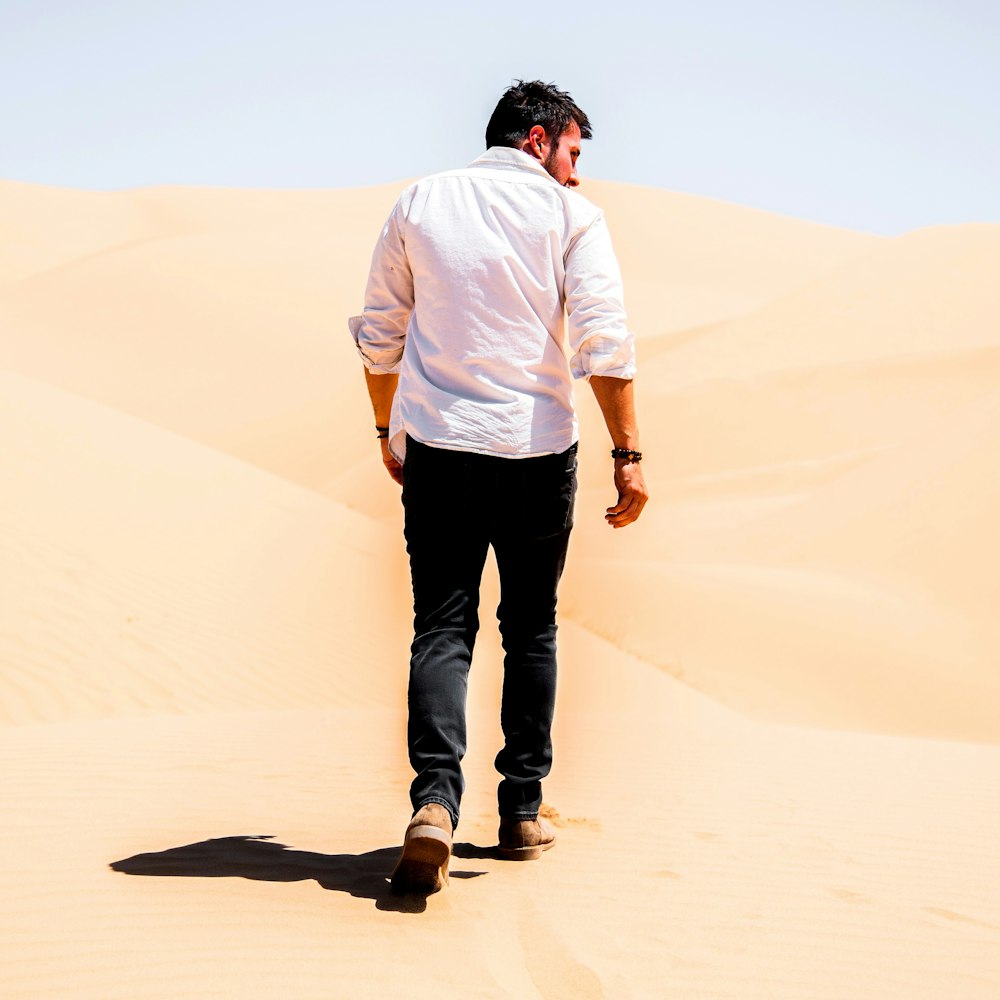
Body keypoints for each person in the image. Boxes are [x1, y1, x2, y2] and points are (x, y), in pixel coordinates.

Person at [349, 79, 647, 894]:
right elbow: (603, 340)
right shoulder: (573, 219)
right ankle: (520, 811)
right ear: (538, 139)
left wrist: (387, 428)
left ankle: (435, 807)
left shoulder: (420, 201)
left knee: (442, 628)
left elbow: (380, 334)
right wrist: (628, 450)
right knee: (532, 628)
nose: (577, 174)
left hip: (441, 448)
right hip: (539, 453)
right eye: (574, 152)